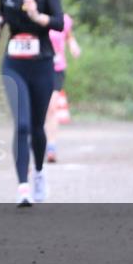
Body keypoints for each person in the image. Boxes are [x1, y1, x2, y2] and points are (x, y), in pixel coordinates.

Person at [0, 0, 64, 206]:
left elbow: (59, 23)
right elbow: (3, 15)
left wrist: (37, 17)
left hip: (42, 63)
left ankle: (39, 173)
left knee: (37, 126)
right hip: (14, 64)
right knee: (21, 124)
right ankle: (22, 186)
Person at [45, 12, 81, 162]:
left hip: (57, 69)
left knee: (52, 108)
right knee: (39, 109)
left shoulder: (63, 19)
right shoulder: (35, 16)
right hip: (37, 67)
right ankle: (36, 143)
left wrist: (73, 45)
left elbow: (68, 35)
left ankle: (51, 147)